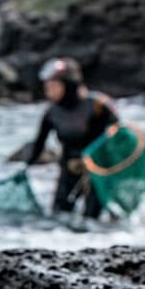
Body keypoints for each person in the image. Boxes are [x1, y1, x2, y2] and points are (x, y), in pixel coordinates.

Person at [25, 57, 118, 218]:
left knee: (91, 219)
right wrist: (27, 165)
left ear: (68, 85)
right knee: (58, 215)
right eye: (47, 86)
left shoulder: (98, 105)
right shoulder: (52, 113)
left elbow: (118, 136)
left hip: (98, 172)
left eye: (53, 85)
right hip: (69, 169)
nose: (48, 91)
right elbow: (39, 143)